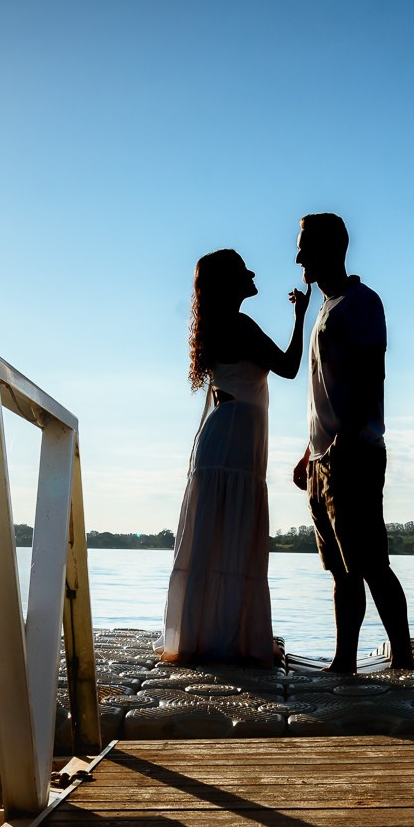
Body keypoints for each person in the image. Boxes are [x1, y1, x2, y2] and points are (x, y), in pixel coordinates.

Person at [159, 249, 308, 663]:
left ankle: (200, 633)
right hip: (237, 435)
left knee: (213, 535)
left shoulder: (222, 326)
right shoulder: (239, 326)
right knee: (235, 534)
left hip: (225, 432)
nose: (253, 273)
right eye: (244, 269)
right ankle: (233, 636)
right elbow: (290, 366)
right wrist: (301, 317)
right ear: (230, 282)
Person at [291, 212, 414, 673]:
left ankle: (403, 656)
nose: (298, 256)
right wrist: (310, 453)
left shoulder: (361, 302)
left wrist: (342, 440)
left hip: (354, 452)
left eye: (305, 246)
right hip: (324, 457)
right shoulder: (325, 308)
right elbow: (324, 388)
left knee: (370, 561)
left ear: (331, 249)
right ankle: (344, 660)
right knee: (340, 569)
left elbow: (370, 374)